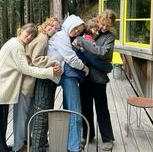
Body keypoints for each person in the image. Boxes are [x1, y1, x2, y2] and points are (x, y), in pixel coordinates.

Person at [0, 23, 62, 152]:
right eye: (27, 33)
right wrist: (49, 72)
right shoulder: (16, 46)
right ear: (21, 31)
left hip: (0, 90)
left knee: (1, 122)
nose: (29, 36)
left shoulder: (15, 43)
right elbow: (25, 69)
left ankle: (2, 147)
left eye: (32, 35)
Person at [13, 17, 61, 152]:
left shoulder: (41, 36)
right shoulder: (43, 38)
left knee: (27, 115)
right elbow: (37, 59)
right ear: (46, 24)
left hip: (30, 80)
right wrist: (54, 62)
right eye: (51, 25)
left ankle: (26, 143)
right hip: (27, 81)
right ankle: (18, 147)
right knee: (21, 117)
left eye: (56, 28)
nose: (53, 29)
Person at [76, 9, 116, 151]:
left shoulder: (109, 38)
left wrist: (84, 46)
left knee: (102, 109)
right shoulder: (87, 31)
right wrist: (90, 49)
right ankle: (88, 135)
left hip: (99, 78)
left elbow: (103, 53)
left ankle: (107, 138)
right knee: (85, 107)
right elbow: (78, 45)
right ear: (98, 20)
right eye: (102, 23)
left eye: (108, 25)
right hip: (85, 77)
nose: (104, 27)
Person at [51, 14, 89, 152]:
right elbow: (70, 58)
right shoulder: (62, 36)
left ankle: (70, 142)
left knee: (69, 108)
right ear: (69, 25)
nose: (76, 32)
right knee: (75, 110)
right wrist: (84, 68)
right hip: (66, 75)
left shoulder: (64, 36)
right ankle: (74, 147)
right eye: (75, 29)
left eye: (79, 31)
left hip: (61, 74)